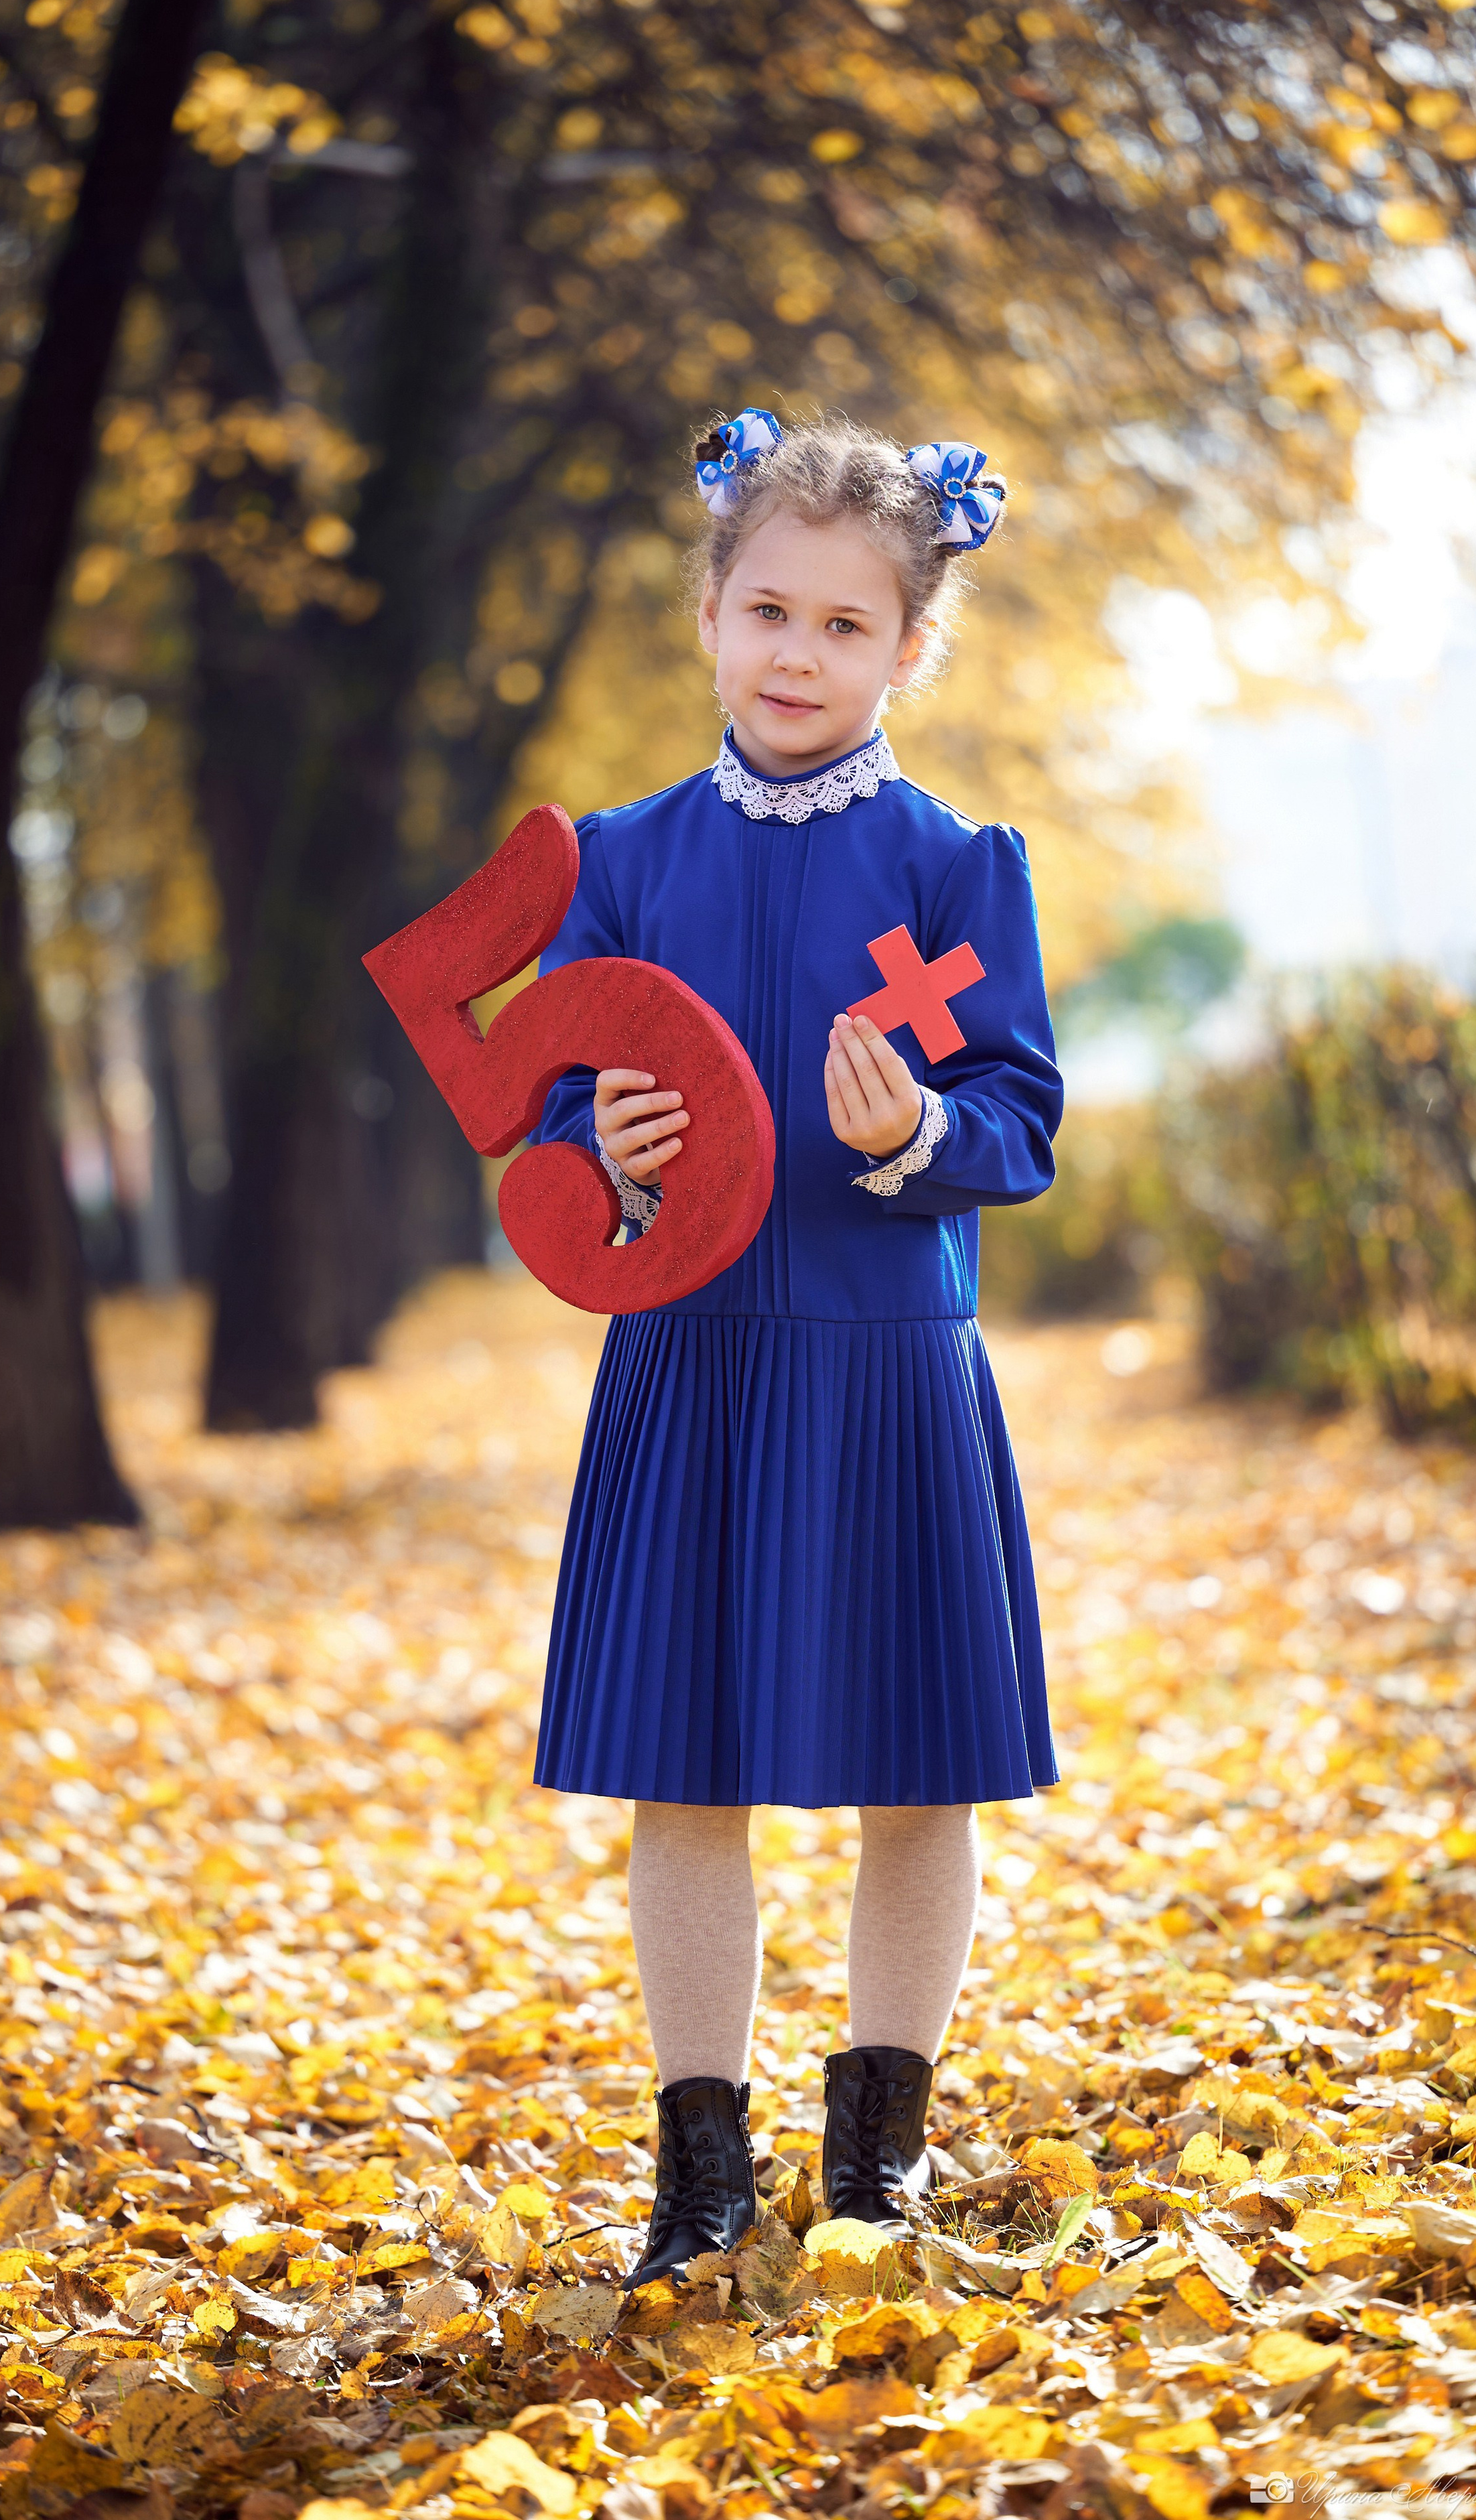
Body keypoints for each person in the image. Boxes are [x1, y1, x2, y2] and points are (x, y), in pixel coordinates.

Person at [525, 408, 1063, 2288]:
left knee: (922, 1768)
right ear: (710, 612)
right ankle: (701, 2185)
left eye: (847, 625)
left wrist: (920, 1133)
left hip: (889, 1358)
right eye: (769, 610)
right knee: (688, 1770)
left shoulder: (955, 866)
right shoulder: (620, 865)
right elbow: (544, 1118)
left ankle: (877, 2166)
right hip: (691, 1363)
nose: (798, 655)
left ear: (911, 648)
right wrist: (601, 1147)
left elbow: (1022, 1120)